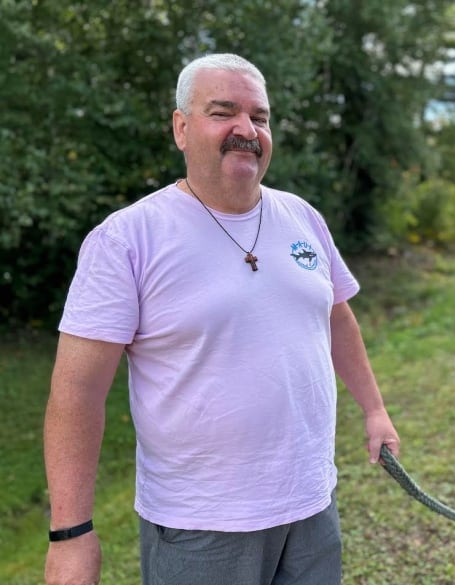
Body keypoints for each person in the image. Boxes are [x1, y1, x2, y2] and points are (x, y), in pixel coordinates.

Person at [43, 52, 401, 585]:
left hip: (311, 504)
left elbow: (337, 318)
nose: (246, 130)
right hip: (200, 527)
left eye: (259, 117)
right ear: (181, 128)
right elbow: (76, 394)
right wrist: (71, 535)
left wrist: (374, 409)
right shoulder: (127, 239)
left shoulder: (302, 217)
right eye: (223, 112)